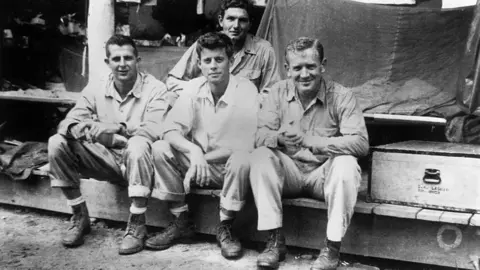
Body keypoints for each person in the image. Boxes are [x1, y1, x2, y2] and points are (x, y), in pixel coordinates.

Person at [249, 37, 369, 269]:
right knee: (260, 155)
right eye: (297, 68)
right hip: (290, 174)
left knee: (346, 163)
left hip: (322, 177)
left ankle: (331, 248)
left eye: (311, 67)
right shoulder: (277, 92)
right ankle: (275, 241)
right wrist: (278, 138)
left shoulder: (342, 96)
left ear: (322, 65)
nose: (304, 74)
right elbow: (258, 135)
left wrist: (313, 142)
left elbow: (361, 143)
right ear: (287, 70)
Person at [48, 35, 169, 255]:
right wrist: (94, 128)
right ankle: (79, 215)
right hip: (105, 157)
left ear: (138, 60)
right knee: (57, 143)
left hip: (142, 164)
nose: (122, 64)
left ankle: (137, 225)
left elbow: (155, 129)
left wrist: (118, 127)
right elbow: (67, 124)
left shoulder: (156, 89)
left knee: (138, 145)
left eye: (128, 58)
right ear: (107, 62)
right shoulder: (96, 88)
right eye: (116, 58)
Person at [145, 32, 258, 260]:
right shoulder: (193, 87)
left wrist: (202, 160)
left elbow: (246, 143)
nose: (213, 66)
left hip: (228, 169)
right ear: (199, 64)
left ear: (231, 61)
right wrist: (194, 151)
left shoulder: (246, 90)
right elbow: (170, 130)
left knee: (242, 159)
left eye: (219, 59)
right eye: (207, 61)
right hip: (197, 165)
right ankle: (181, 220)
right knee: (159, 148)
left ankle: (225, 227)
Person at [166, 0, 280, 96]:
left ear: (250, 24)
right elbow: (173, 82)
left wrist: (242, 102)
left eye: (242, 20)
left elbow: (271, 94)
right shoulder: (205, 43)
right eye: (231, 19)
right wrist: (203, 92)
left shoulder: (264, 50)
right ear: (221, 21)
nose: (236, 26)